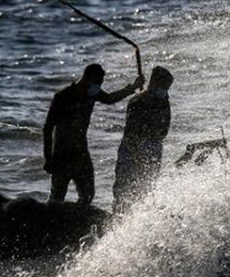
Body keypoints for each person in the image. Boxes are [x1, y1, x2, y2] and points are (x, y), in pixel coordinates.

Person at [44, 63, 145, 206]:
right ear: (86, 78)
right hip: (61, 154)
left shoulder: (93, 94)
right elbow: (48, 128)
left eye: (100, 83)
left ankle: (77, 222)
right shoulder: (63, 96)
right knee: (57, 197)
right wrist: (48, 158)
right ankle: (49, 221)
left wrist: (133, 87)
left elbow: (110, 98)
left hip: (81, 153)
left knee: (88, 195)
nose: (98, 86)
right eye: (96, 83)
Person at [112, 66, 173, 215]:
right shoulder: (137, 101)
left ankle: (140, 218)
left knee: (146, 190)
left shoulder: (164, 101)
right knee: (124, 189)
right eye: (163, 86)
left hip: (153, 149)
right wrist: (138, 155)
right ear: (154, 84)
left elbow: (164, 129)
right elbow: (132, 133)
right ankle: (118, 218)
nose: (165, 90)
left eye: (167, 87)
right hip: (133, 150)